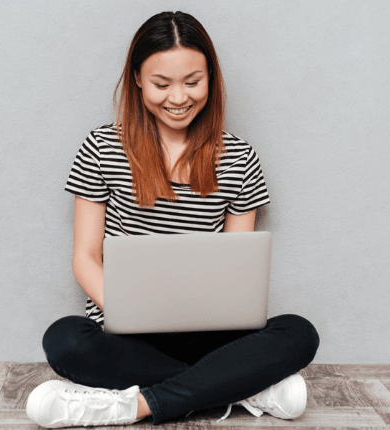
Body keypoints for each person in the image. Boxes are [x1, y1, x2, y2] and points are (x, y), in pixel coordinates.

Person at [26, 11, 320, 428]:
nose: (178, 97)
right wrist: (131, 312)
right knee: (66, 340)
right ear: (137, 79)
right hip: (124, 335)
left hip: (211, 335)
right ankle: (245, 388)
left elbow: (238, 270)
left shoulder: (239, 158)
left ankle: (136, 405)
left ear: (211, 79)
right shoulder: (102, 148)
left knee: (300, 332)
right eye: (162, 84)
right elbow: (86, 258)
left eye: (193, 82)